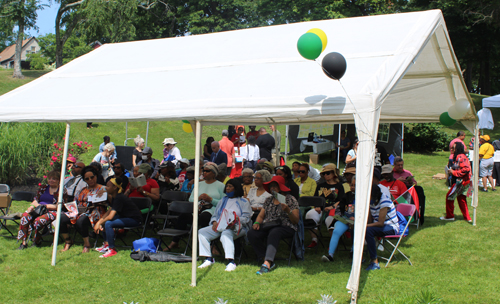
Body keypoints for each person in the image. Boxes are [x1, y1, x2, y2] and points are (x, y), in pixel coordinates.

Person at [165, 162, 225, 251]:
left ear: (213, 173)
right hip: (197, 209)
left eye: (207, 171)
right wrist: (198, 198)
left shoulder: (220, 185)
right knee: (183, 216)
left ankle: (211, 244)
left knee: (205, 217)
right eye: (203, 171)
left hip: (212, 211)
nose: (204, 173)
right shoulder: (199, 184)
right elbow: (191, 199)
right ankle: (175, 241)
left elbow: (223, 203)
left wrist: (211, 200)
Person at [247, 176, 300, 275]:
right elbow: (261, 215)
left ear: (281, 187)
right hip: (269, 224)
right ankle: (264, 257)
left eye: (275, 186)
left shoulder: (290, 199)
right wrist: (256, 223)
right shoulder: (268, 200)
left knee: (274, 232)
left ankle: (267, 263)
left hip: (286, 226)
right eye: (271, 186)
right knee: (252, 233)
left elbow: (296, 220)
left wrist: (288, 211)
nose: (272, 188)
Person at [198, 180, 252, 272]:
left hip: (237, 226)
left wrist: (235, 220)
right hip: (220, 225)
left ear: (236, 188)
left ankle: (231, 261)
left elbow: (247, 218)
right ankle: (208, 258)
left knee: (226, 234)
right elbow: (215, 215)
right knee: (202, 232)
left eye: (230, 186)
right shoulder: (223, 200)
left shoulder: (243, 202)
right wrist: (214, 222)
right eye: (227, 186)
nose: (227, 188)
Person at [59, 166, 106, 253]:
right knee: (61, 218)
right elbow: (75, 202)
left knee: (81, 220)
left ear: (96, 176)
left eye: (92, 177)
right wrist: (72, 209)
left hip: (95, 212)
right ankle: (68, 241)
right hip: (79, 211)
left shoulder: (103, 189)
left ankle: (87, 244)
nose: (90, 180)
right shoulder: (82, 190)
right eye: (87, 179)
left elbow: (107, 202)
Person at [16, 171, 68, 249]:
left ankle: (37, 241)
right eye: (49, 178)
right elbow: (35, 200)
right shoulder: (43, 188)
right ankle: (23, 242)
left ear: (58, 180)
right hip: (38, 209)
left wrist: (44, 206)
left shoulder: (61, 191)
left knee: (38, 221)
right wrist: (31, 206)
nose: (51, 180)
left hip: (53, 211)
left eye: (54, 179)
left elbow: (59, 206)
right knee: (24, 217)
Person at [93, 176, 143, 258]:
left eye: (108, 186)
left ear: (115, 187)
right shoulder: (114, 197)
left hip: (135, 220)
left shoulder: (119, 198)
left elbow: (110, 217)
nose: (106, 188)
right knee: (104, 221)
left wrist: (99, 223)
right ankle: (106, 245)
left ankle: (112, 249)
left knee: (108, 223)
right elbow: (109, 211)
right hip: (124, 217)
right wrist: (99, 222)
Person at [305, 164, 345, 248]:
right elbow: (316, 198)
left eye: (328, 173)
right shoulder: (320, 186)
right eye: (324, 173)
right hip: (321, 208)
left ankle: (333, 243)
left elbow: (341, 200)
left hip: (334, 209)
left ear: (334, 174)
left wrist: (332, 207)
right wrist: (317, 206)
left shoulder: (339, 186)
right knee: (309, 214)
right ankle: (314, 240)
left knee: (329, 220)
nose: (325, 175)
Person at [365, 183, 399, 270]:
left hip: (391, 227)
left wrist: (365, 226)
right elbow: (369, 220)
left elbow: (381, 223)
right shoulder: (370, 201)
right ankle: (359, 257)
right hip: (378, 226)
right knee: (357, 229)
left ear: (374, 196)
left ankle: (374, 261)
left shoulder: (384, 201)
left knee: (368, 231)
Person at [322, 175, 355, 262]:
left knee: (356, 231)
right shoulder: (347, 195)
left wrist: (356, 218)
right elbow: (341, 209)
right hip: (346, 220)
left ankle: (354, 252)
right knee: (336, 231)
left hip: (358, 222)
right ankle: (330, 255)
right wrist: (345, 217)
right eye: (351, 185)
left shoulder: (365, 197)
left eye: (355, 185)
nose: (352, 187)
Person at [441, 142, 472, 222]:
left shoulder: (460, 156)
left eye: (453, 148)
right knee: (461, 199)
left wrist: (454, 172)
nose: (451, 149)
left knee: (449, 196)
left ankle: (450, 216)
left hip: (461, 182)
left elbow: (466, 169)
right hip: (464, 181)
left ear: (457, 149)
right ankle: (467, 218)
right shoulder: (460, 156)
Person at [392, 156, 426, 225]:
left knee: (419, 189)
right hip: (398, 193)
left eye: (402, 165)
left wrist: (412, 182)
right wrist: (397, 181)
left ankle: (420, 215)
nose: (401, 167)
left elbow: (415, 183)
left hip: (409, 192)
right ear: (394, 165)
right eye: (398, 165)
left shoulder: (407, 173)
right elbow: (388, 184)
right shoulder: (391, 174)